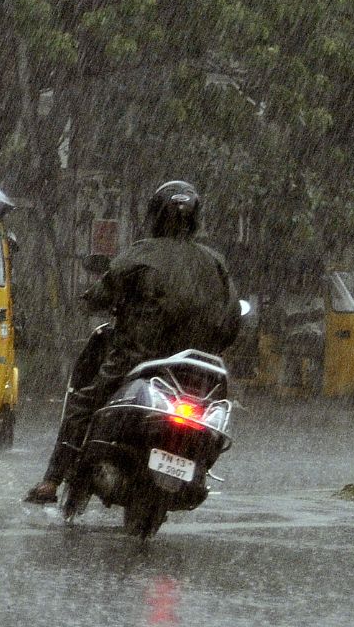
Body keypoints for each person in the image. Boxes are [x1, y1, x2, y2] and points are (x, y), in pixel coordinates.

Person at [24, 180, 240, 504]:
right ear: (196, 219)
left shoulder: (142, 253)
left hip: (138, 358)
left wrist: (90, 300)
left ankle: (51, 482)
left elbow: (101, 294)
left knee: (84, 402)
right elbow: (233, 321)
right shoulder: (216, 263)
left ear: (155, 215)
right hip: (197, 371)